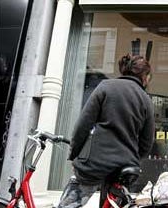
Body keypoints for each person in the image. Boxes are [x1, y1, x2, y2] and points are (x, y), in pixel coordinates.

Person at [57, 54, 155, 207]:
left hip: (94, 162)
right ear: (144, 76)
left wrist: (74, 154)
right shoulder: (145, 99)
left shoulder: (105, 86)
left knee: (68, 205)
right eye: (149, 76)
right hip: (124, 166)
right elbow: (147, 142)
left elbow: (83, 125)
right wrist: (134, 158)